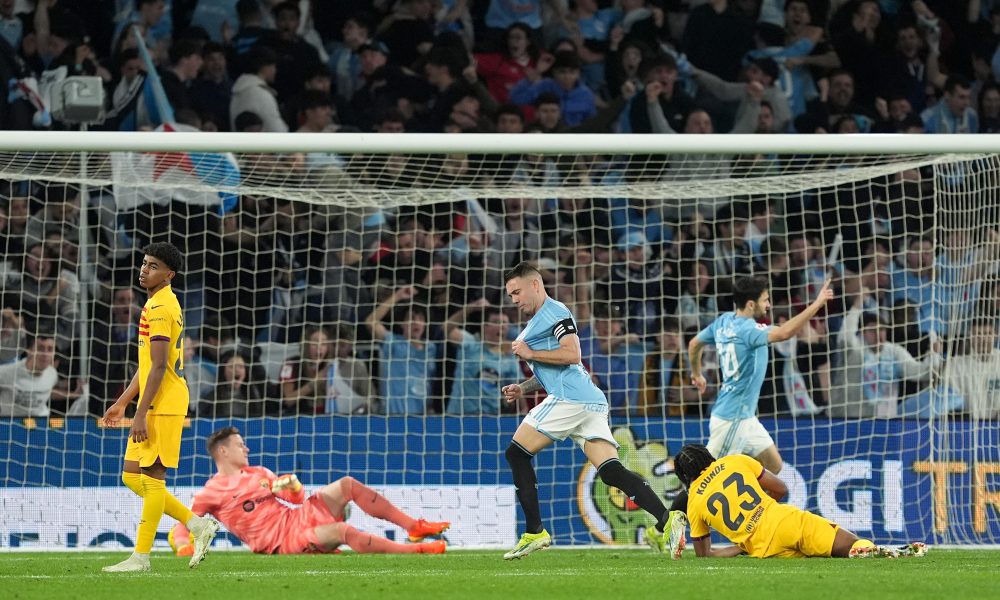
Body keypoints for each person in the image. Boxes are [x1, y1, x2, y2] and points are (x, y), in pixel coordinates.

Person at [499, 261, 676, 560]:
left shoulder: (555, 313)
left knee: (517, 453)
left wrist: (529, 353)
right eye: (510, 295)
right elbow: (551, 369)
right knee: (610, 472)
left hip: (571, 399)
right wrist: (524, 388)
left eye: (517, 292)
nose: (514, 300)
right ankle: (669, 520)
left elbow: (573, 354)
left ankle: (534, 532)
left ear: (535, 285)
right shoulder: (538, 322)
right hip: (589, 400)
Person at [665, 275, 835, 555]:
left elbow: (694, 343)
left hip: (744, 416)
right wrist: (817, 304)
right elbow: (783, 334)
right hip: (732, 419)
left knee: (773, 464)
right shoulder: (748, 330)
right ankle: (667, 528)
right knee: (702, 481)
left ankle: (753, 522)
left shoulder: (723, 323)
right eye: (766, 300)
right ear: (751, 303)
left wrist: (696, 374)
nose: (769, 305)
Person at [100, 243, 219, 573]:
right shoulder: (155, 303)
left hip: (164, 404)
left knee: (152, 480)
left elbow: (159, 366)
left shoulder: (162, 307)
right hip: (156, 400)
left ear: (169, 275)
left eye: (152, 266)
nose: (144, 269)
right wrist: (123, 402)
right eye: (144, 263)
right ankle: (198, 526)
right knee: (130, 476)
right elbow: (148, 363)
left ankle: (141, 558)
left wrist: (139, 412)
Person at [169, 426, 449, 555]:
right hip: (280, 542)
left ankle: (413, 527)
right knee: (342, 533)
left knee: (348, 484)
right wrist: (184, 546)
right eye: (240, 444)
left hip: (297, 517)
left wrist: (293, 485)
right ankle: (414, 551)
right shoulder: (210, 491)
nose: (246, 448)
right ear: (222, 451)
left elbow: (296, 499)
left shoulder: (260, 473)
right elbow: (182, 525)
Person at [670, 444, 928, 559]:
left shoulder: (693, 500)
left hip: (764, 551)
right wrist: (765, 514)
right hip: (785, 521)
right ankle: (880, 552)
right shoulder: (734, 461)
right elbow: (781, 488)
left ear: (685, 476)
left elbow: (706, 555)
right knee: (851, 546)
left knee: (817, 560)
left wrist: (742, 546)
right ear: (708, 455)